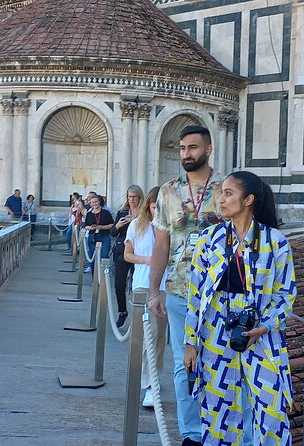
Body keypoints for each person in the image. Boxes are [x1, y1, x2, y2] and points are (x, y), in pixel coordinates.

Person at [184, 171, 295, 445]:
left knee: (272, 415)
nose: (220, 199)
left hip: (261, 333)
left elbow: (286, 295)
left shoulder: (275, 242)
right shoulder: (209, 239)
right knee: (218, 415)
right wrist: (190, 343)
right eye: (221, 192)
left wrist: (265, 326)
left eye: (228, 193)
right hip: (214, 331)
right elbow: (195, 295)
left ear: (249, 200)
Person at [149, 125, 222, 446]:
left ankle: (219, 427)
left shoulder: (225, 189)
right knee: (184, 363)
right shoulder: (167, 191)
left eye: (192, 147)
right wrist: (154, 290)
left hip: (220, 293)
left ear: (208, 149)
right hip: (179, 291)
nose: (186, 154)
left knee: (219, 360)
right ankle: (192, 433)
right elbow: (161, 244)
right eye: (181, 148)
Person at [123, 186, 167, 409]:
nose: (158, 210)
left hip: (166, 285)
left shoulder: (171, 230)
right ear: (148, 205)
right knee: (145, 336)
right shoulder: (136, 226)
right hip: (142, 285)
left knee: (159, 337)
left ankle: (152, 380)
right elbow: (127, 255)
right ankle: (147, 381)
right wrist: (149, 260)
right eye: (154, 205)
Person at [110, 185, 144, 328]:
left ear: (139, 198)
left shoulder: (145, 213)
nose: (132, 200)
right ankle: (122, 311)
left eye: (134, 197)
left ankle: (140, 313)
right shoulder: (122, 212)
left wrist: (137, 221)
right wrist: (118, 225)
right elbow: (113, 233)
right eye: (129, 197)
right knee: (119, 284)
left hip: (139, 252)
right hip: (122, 251)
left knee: (138, 285)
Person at [82, 194, 114, 274]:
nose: (94, 204)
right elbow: (86, 226)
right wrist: (91, 228)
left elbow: (111, 225)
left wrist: (100, 227)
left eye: (96, 202)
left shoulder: (106, 213)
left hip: (104, 236)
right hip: (93, 237)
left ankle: (103, 278)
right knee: (93, 258)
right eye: (92, 202)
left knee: (104, 257)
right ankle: (94, 278)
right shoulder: (89, 214)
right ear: (90, 203)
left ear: (99, 202)